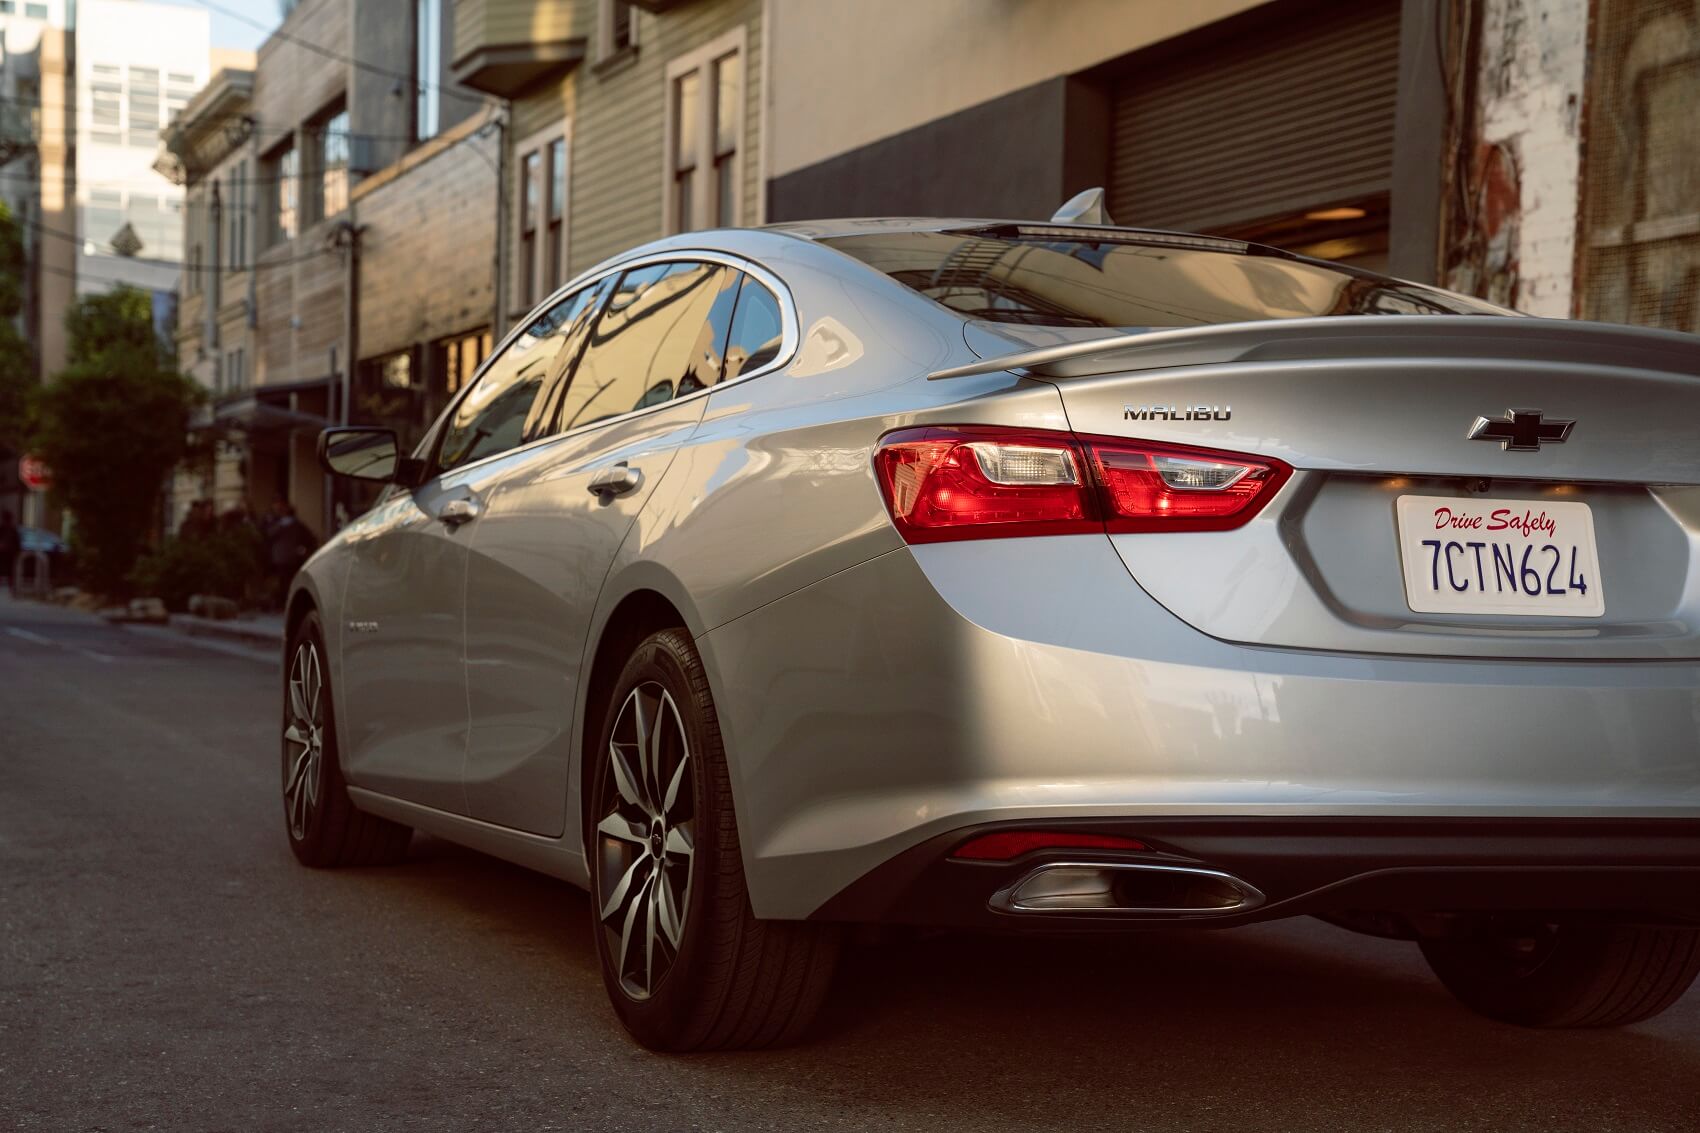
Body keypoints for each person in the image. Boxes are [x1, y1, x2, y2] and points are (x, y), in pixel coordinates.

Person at [264, 500, 318, 608]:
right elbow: (311, 539)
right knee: (286, 582)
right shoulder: (289, 524)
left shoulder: (289, 525)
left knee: (284, 582)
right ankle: (285, 603)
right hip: (288, 558)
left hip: (285, 558)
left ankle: (284, 604)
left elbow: (268, 536)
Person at [0, 510, 19, 595]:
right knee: (10, 570)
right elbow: (18, 542)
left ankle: (12, 587)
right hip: (10, 553)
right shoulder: (13, 529)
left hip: (4, 552)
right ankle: (12, 587)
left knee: (4, 569)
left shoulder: (3, 528)